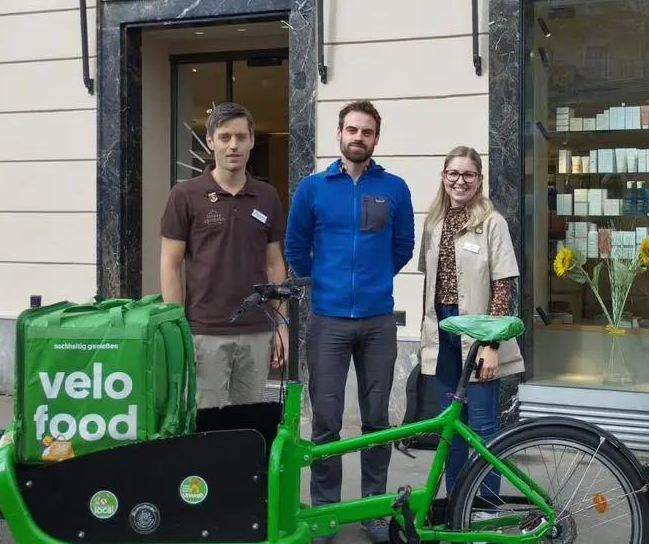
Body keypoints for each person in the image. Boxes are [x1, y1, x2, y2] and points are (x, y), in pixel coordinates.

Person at [285, 100, 415, 544]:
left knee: (377, 420)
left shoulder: (394, 188)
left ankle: (374, 510)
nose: (359, 137)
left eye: (367, 131)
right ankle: (325, 511)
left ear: (376, 138)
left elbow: (403, 246)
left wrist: (374, 280)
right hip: (327, 321)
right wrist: (325, 282)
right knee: (325, 420)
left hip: (378, 321)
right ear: (339, 134)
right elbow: (295, 245)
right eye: (352, 130)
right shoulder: (313, 188)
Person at [159, 102, 289, 409]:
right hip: (204, 331)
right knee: (206, 421)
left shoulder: (267, 196)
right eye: (225, 137)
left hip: (257, 329)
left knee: (250, 420)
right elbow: (169, 265)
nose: (233, 145)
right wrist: (177, 328)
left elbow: (274, 264)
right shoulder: (184, 195)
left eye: (241, 137)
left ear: (251, 141)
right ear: (210, 141)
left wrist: (281, 325)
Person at [417, 145, 522, 502]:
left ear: (479, 179)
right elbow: (429, 282)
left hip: (478, 335)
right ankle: (457, 505)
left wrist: (490, 345)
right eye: (453, 173)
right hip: (443, 335)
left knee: (483, 426)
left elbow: (502, 285)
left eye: (468, 174)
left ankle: (487, 507)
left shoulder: (492, 222)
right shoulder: (433, 222)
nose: (460, 181)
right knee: (452, 427)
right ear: (443, 176)